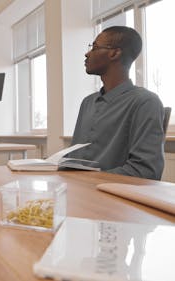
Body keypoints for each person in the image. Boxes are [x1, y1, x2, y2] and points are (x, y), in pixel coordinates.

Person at [68, 26, 164, 180]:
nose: (87, 53)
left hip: (112, 197)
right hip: (79, 190)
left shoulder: (145, 102)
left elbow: (145, 171)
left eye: (95, 47)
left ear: (115, 53)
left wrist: (87, 180)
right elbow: (72, 160)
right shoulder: (87, 102)